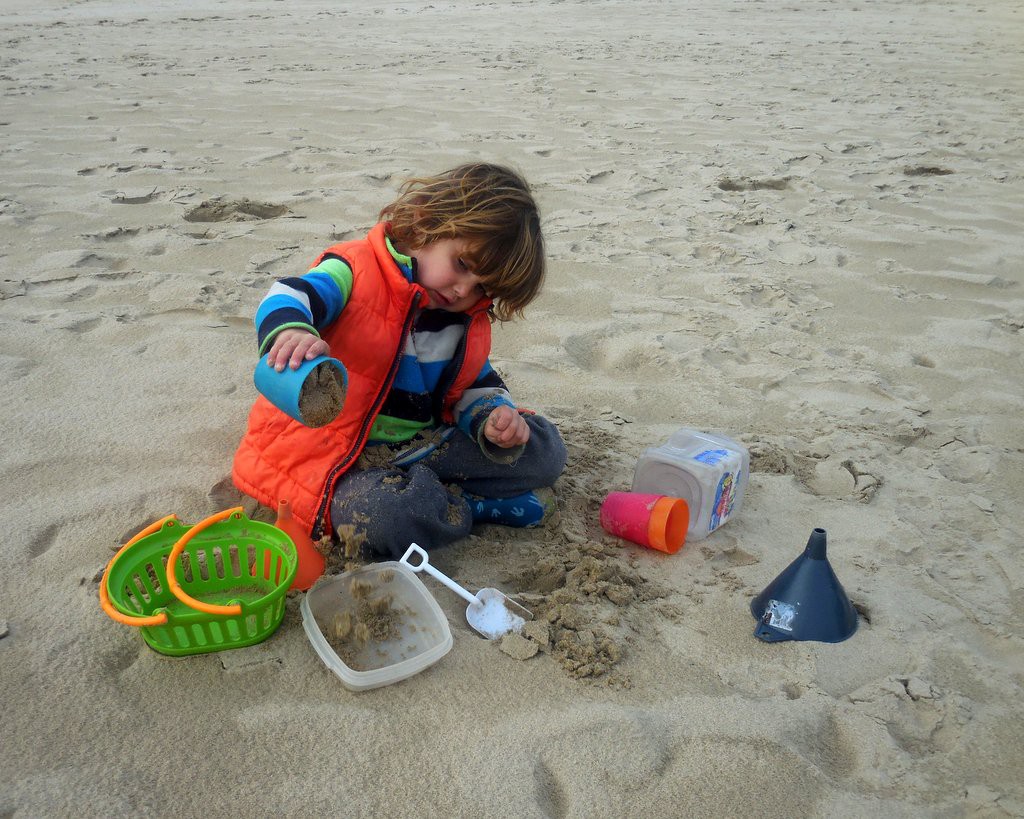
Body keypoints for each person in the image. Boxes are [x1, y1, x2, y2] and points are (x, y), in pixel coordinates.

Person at [232, 162, 567, 559]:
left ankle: (434, 494)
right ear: (428, 222)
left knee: (545, 449)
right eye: (462, 264)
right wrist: (293, 331)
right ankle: (470, 507)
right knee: (386, 518)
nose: (463, 290)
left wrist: (494, 419)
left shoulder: (463, 317)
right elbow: (289, 295)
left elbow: (473, 384)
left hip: (416, 447)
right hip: (337, 457)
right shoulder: (355, 268)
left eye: (484, 289)